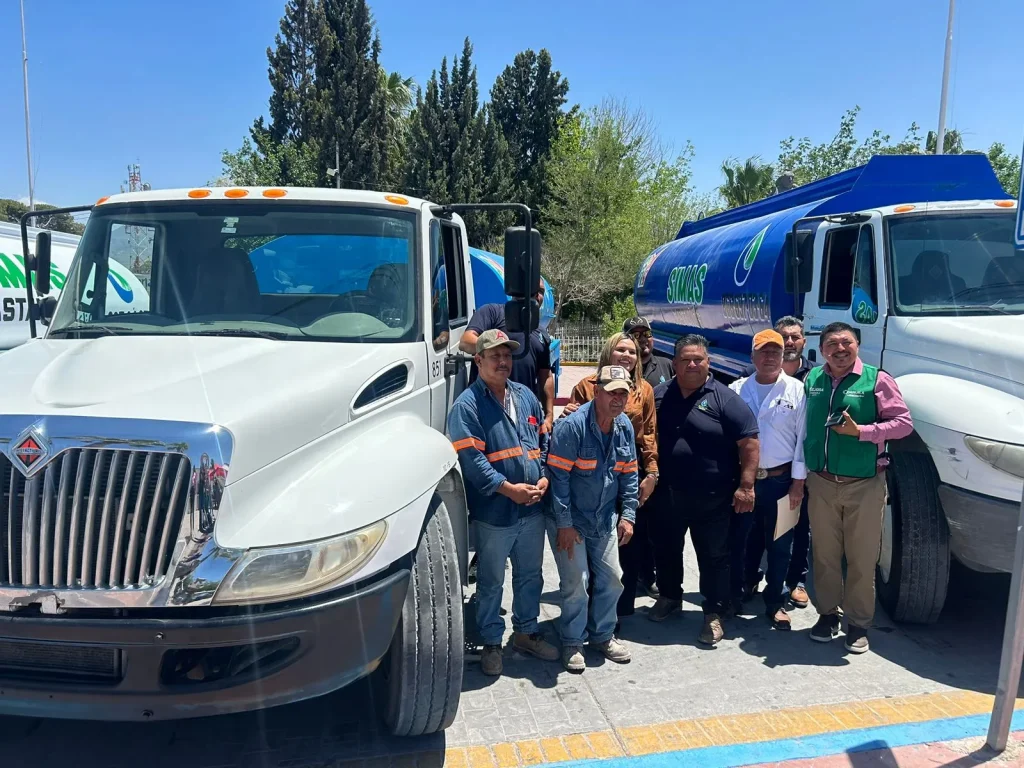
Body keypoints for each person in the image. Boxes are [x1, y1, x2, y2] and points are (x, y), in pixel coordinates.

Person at [448, 329, 560, 676]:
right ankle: (492, 643)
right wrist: (509, 489)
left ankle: (526, 632)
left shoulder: (525, 396)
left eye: (507, 355)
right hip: (495, 513)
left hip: (531, 509)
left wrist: (543, 475)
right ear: (478, 360)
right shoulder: (466, 406)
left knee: (530, 576)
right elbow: (473, 462)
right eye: (495, 355)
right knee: (492, 581)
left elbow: (540, 441)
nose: (503, 361)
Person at [804, 321, 913, 654]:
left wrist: (862, 432)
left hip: (864, 483)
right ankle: (826, 615)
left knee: (862, 557)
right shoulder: (813, 379)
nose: (840, 349)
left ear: (857, 346)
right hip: (821, 482)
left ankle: (858, 623)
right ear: (822, 349)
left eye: (846, 342)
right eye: (832, 344)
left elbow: (903, 424)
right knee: (824, 555)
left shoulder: (877, 380)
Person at [648, 335, 760, 646]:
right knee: (666, 550)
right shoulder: (658, 396)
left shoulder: (725, 399)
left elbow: (749, 442)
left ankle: (714, 613)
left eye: (699, 359)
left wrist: (746, 486)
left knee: (714, 557)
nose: (693, 364)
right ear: (675, 363)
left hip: (713, 497)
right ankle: (670, 597)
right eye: (686, 359)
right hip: (667, 494)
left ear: (708, 362)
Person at [546, 365, 639, 673]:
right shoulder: (572, 427)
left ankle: (602, 635)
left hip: (603, 519)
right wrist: (564, 524)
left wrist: (628, 514)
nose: (617, 399)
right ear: (596, 391)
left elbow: (629, 473)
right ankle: (573, 640)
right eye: (611, 392)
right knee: (577, 583)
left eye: (623, 393)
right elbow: (558, 479)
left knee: (613, 579)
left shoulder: (623, 425)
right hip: (571, 519)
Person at [562, 332, 660, 613]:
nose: (627, 355)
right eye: (620, 350)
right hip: (592, 474)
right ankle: (589, 613)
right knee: (594, 546)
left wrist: (652, 474)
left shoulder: (644, 390)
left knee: (627, 542)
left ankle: (617, 614)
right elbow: (575, 426)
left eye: (631, 351)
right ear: (608, 353)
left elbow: (650, 435)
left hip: (630, 471)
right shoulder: (586, 386)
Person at [728, 330, 807, 630]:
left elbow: (803, 439)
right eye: (764, 351)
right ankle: (736, 594)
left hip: (782, 481)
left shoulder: (797, 391)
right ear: (753, 356)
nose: (770, 356)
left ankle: (775, 601)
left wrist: (798, 483)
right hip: (746, 481)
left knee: (780, 545)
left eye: (775, 351)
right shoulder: (736, 390)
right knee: (740, 541)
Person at [461, 280, 555, 433]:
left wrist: (549, 416)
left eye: (541, 292)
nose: (538, 295)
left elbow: (546, 376)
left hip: (523, 412)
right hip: (486, 406)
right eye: (533, 289)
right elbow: (465, 342)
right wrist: (498, 349)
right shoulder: (492, 313)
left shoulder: (541, 333)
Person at [623, 316, 674, 388]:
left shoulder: (667, 365)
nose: (643, 339)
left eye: (646, 333)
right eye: (636, 335)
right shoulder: (623, 367)